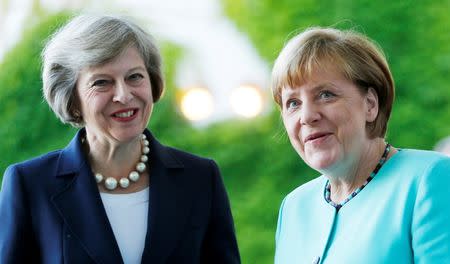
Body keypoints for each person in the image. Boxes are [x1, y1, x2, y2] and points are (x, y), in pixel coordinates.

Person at [0, 14, 240, 264]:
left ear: (152, 81)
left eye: (134, 76)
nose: (124, 95)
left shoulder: (201, 178)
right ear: (73, 99)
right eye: (102, 82)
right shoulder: (31, 185)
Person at [271, 27, 450, 263]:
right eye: (293, 103)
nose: (306, 116)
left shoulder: (431, 178)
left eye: (325, 94)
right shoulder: (293, 207)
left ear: (370, 104)